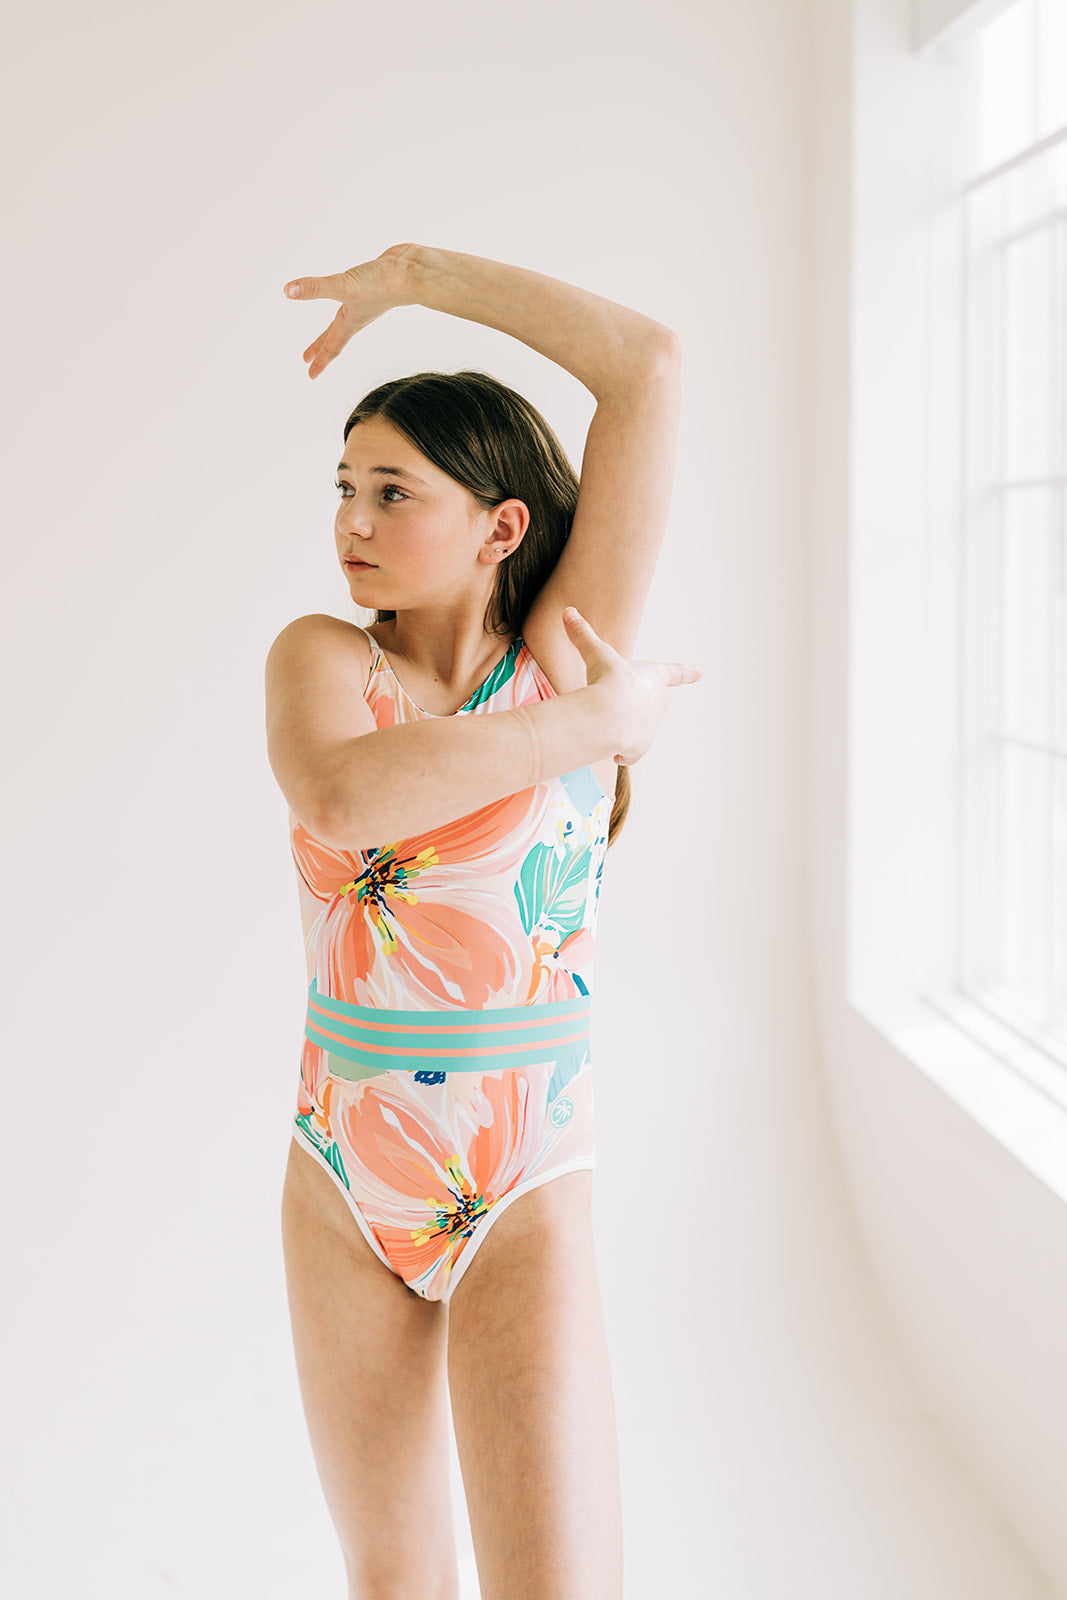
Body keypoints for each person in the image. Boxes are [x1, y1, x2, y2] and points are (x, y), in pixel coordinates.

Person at [265, 241, 702, 1600]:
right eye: (346, 486)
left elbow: (648, 368)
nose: (352, 518)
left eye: (393, 490)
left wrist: (416, 276)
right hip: (343, 1173)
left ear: (500, 527)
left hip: (521, 1170)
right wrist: (601, 724)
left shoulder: (557, 655)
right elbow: (345, 797)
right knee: (395, 1581)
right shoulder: (324, 659)